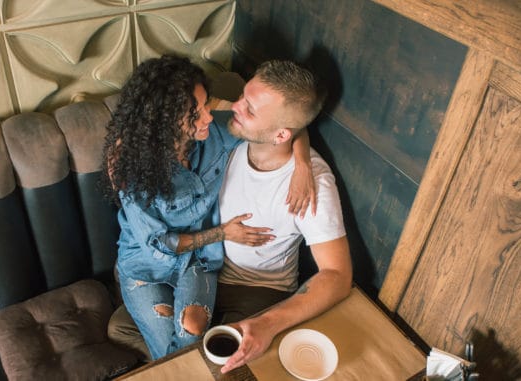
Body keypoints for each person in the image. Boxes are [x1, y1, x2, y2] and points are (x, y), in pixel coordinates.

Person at [101, 55, 315, 360]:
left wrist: (303, 164)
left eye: (206, 105)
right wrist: (224, 233)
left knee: (191, 331)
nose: (209, 117)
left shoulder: (216, 135)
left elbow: (285, 123)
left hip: (198, 262)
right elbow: (160, 246)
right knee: (173, 354)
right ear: (165, 123)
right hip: (144, 267)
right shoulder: (133, 171)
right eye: (196, 113)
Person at [215, 60, 353, 373]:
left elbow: (338, 276)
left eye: (249, 108)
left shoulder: (312, 184)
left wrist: (268, 324)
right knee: (124, 329)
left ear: (280, 135)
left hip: (258, 290)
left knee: (224, 363)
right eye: (243, 96)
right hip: (205, 268)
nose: (235, 106)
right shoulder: (237, 130)